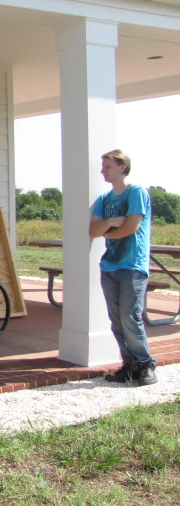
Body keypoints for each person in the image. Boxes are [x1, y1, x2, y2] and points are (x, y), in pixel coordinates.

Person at [90, 149, 157, 386]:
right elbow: (93, 231)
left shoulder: (136, 192)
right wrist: (109, 222)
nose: (103, 171)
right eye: (103, 166)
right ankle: (129, 365)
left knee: (130, 317)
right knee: (116, 320)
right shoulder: (104, 200)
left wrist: (108, 230)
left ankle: (146, 363)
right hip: (109, 267)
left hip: (132, 266)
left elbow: (131, 227)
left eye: (107, 166)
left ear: (122, 168)